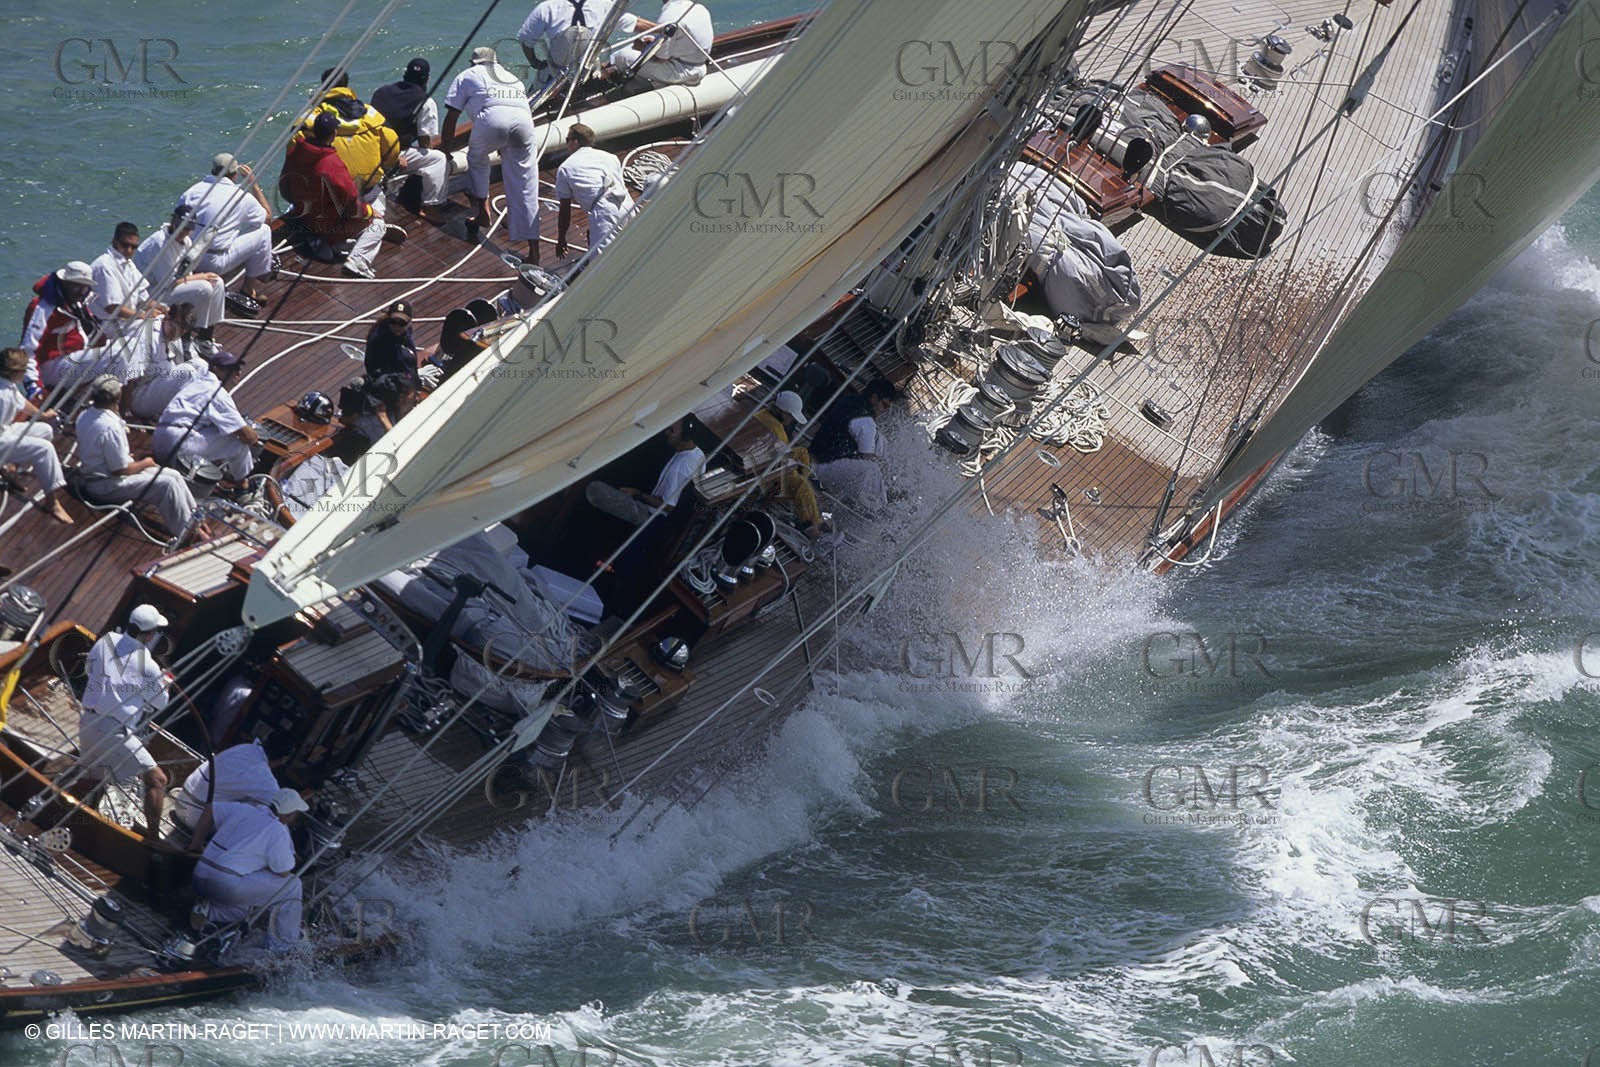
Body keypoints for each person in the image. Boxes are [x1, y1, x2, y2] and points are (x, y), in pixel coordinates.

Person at [78, 603, 173, 842]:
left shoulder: (105, 640)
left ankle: (68, 821)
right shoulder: (149, 665)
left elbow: (90, 670)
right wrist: (166, 683)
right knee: (158, 780)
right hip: (115, 733)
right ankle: (152, 842)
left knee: (91, 780)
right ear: (150, 634)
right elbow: (160, 703)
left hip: (88, 722)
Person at [442, 46, 542, 263]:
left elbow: (451, 116)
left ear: (473, 63)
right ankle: (534, 251)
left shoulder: (467, 75)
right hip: (524, 124)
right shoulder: (513, 79)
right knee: (525, 184)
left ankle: (482, 211)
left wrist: (446, 151)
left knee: (477, 159)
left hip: (492, 120)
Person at [76, 373, 196, 533]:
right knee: (167, 485)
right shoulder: (110, 426)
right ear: (117, 397)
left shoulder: (84, 415)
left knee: (173, 475)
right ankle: (184, 532)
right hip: (105, 485)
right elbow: (120, 470)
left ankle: (195, 520)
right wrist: (146, 462)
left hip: (100, 475)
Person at [192, 788, 308, 952]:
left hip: (199, 873)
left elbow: (210, 808)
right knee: (293, 885)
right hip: (224, 884)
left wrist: (196, 844)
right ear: (289, 814)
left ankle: (207, 912)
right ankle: (282, 948)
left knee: (243, 908)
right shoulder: (278, 830)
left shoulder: (244, 809)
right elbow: (283, 871)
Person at [281, 112, 390, 279]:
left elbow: (285, 187)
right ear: (333, 134)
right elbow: (351, 202)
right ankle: (357, 261)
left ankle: (324, 243)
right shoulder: (331, 164)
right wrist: (368, 211)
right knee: (378, 225)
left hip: (305, 218)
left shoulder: (295, 152)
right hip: (330, 226)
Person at [177, 154, 274, 313]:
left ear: (213, 170)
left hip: (189, 258)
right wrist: (254, 185)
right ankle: (249, 289)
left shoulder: (191, 191)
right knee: (264, 231)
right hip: (215, 262)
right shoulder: (240, 196)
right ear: (235, 174)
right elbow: (267, 218)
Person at [153, 348, 258, 482]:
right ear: (215, 369)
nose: (237, 373)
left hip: (159, 439)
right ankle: (243, 488)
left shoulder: (197, 383)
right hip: (178, 447)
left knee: (218, 430)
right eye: (231, 369)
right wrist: (254, 437)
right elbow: (247, 436)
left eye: (238, 369)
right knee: (238, 444)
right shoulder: (217, 392)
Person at [134, 207, 227, 356]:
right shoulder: (159, 244)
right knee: (203, 288)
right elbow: (168, 282)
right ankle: (186, 338)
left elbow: (185, 272)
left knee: (218, 283)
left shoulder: (186, 241)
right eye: (181, 227)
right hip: (153, 294)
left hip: (169, 287)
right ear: (173, 221)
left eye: (187, 229)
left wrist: (197, 277)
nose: (183, 232)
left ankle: (205, 337)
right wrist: (200, 276)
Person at [585, 415, 704, 525]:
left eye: (671, 430)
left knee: (595, 489)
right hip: (667, 507)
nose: (666, 432)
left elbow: (668, 506)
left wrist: (638, 493)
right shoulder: (698, 454)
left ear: (685, 437)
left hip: (651, 516)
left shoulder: (678, 468)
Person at [371, 58, 450, 222]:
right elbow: (424, 142)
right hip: (394, 155)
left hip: (370, 149)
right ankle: (430, 205)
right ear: (427, 79)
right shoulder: (425, 102)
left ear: (405, 74)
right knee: (438, 159)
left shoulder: (380, 91)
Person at [0, 347, 72, 523]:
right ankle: (52, 502)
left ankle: (10, 469)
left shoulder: (7, 386)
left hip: (4, 430)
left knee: (45, 430)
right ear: (17, 372)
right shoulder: (2, 394)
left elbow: (22, 403)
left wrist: (44, 415)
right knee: (44, 449)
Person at [811, 377, 900, 513]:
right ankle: (880, 512)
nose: (884, 410)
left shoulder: (849, 400)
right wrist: (882, 470)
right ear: (874, 398)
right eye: (885, 405)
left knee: (876, 449)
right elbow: (867, 458)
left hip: (814, 456)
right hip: (821, 468)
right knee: (872, 470)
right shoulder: (866, 422)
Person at [753, 389, 825, 541]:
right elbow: (782, 463)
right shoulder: (776, 429)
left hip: (765, 461)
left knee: (802, 452)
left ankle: (808, 486)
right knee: (801, 486)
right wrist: (797, 475)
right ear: (784, 413)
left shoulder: (762, 415)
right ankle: (812, 526)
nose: (791, 421)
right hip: (767, 474)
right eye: (791, 417)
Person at [554, 123, 635, 259]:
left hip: (605, 211)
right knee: (633, 249)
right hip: (627, 204)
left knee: (602, 262)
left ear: (575, 141)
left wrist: (561, 239)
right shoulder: (610, 157)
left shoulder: (566, 168)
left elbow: (565, 209)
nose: (567, 144)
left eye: (567, 140)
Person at [171, 740, 279, 835]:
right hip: (197, 819)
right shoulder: (264, 777)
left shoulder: (244, 748)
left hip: (180, 801)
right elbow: (281, 806)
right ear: (284, 759)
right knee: (260, 810)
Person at [126, 302, 206, 420]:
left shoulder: (173, 334)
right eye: (176, 327)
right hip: (138, 395)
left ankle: (193, 411)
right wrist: (125, 412)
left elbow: (179, 363)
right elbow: (129, 379)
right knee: (187, 372)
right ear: (167, 316)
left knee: (201, 365)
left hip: (159, 382)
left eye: (183, 330)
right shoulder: (148, 336)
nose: (178, 333)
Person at [518, 0, 632, 80]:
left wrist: (535, 63)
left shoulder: (546, 7)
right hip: (589, 70)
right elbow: (635, 23)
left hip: (554, 75)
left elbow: (525, 40)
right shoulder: (604, 5)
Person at [608, 0, 713, 87]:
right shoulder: (700, 8)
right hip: (699, 66)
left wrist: (641, 47)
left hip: (682, 72)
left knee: (622, 57)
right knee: (639, 43)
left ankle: (636, 89)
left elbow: (660, 59)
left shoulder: (669, 16)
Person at [89, 222, 164, 342]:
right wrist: (143, 316)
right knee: (156, 326)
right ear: (114, 241)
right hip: (109, 325)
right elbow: (112, 308)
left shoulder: (129, 265)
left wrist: (162, 309)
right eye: (125, 245)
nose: (129, 250)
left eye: (133, 247)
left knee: (166, 320)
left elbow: (143, 299)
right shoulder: (105, 266)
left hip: (127, 320)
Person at [31, 262, 99, 389]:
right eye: (76, 286)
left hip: (73, 359)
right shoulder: (44, 308)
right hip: (52, 366)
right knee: (115, 355)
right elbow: (29, 351)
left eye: (84, 287)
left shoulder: (77, 304)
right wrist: (34, 387)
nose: (80, 292)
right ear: (65, 283)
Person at [363, 300, 419, 387]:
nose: (396, 326)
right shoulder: (379, 340)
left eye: (401, 323)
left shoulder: (406, 332)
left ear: (409, 323)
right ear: (388, 319)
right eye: (393, 322)